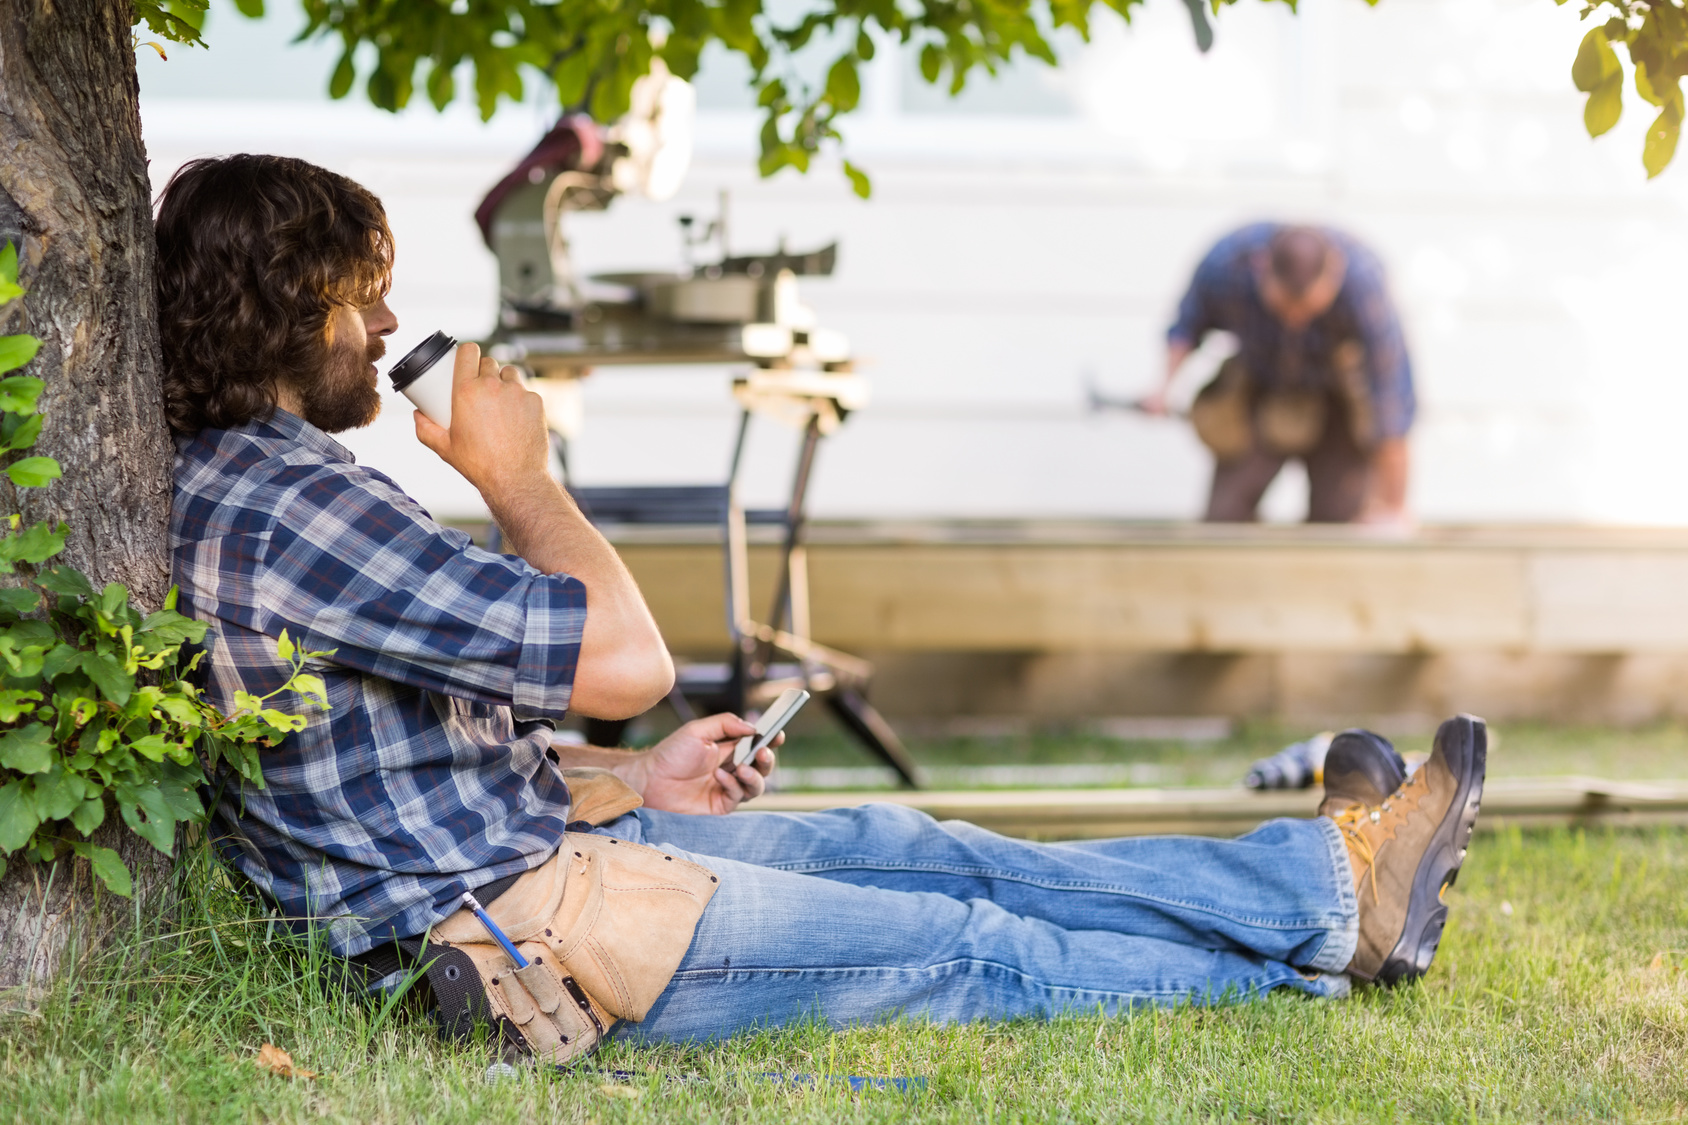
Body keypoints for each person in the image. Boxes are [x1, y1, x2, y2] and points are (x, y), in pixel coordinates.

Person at [158, 155, 1484, 1063]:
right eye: (360, 291)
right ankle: (1326, 940)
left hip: (553, 863)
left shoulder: (290, 488)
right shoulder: (283, 509)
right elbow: (623, 655)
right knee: (967, 948)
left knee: (940, 849)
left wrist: (639, 777)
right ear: (292, 308)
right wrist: (524, 478)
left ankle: (1327, 886)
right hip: (530, 930)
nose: (389, 319)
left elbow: (395, 757)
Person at [1143, 223, 1414, 525]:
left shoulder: (1364, 282)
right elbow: (1186, 327)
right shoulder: (1225, 264)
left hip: (1335, 398)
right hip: (1259, 385)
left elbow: (1391, 397)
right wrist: (1164, 387)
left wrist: (1394, 507)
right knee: (1224, 520)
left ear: (1334, 270)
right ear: (1261, 266)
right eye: (1285, 307)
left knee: (1338, 524)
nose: (1297, 321)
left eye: (1309, 308)